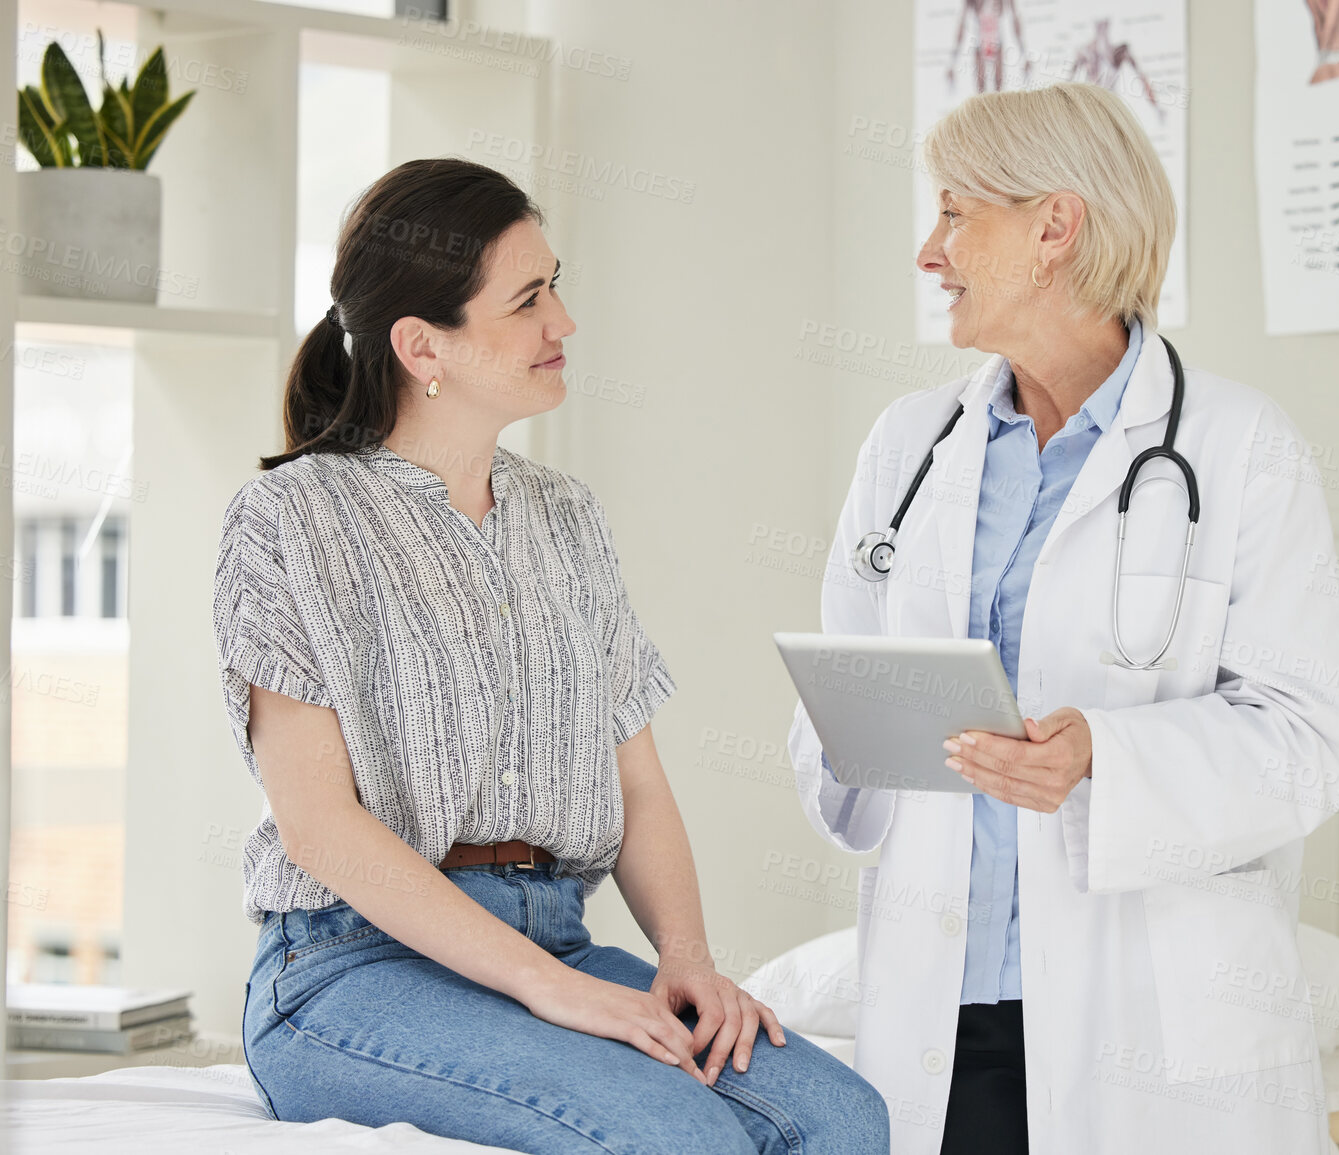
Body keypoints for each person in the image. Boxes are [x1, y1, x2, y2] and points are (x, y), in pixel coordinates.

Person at [217, 157, 889, 1155]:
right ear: (421, 346)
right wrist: (547, 987)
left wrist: (688, 961)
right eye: (528, 299)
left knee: (843, 1119)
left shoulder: (565, 516)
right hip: (354, 965)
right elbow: (318, 828)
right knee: (674, 1136)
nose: (563, 323)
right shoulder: (291, 520)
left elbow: (640, 788)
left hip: (555, 931)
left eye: (556, 286)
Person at [790, 83, 1339, 1154]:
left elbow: (1312, 740)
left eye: (957, 214)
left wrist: (1108, 755)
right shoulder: (910, 444)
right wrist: (856, 734)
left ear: (1055, 227)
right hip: (941, 1023)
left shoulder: (1242, 447)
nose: (930, 251)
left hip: (1156, 1030)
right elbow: (834, 707)